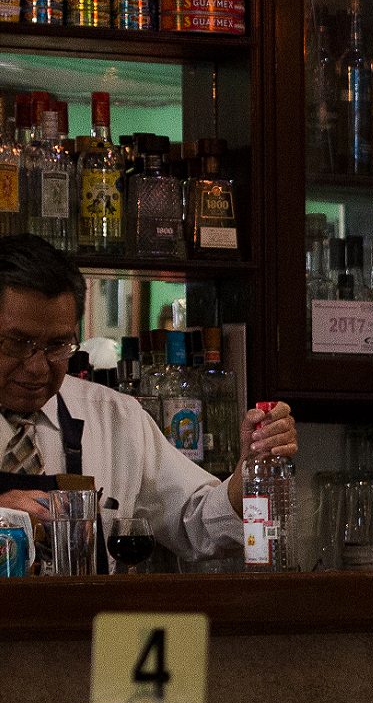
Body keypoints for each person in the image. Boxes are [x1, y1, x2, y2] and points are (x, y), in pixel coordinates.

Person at [0, 234, 296, 560]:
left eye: (56, 346)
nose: (38, 367)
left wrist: (251, 469)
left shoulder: (117, 417)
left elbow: (195, 522)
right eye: (17, 343)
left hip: (91, 612)